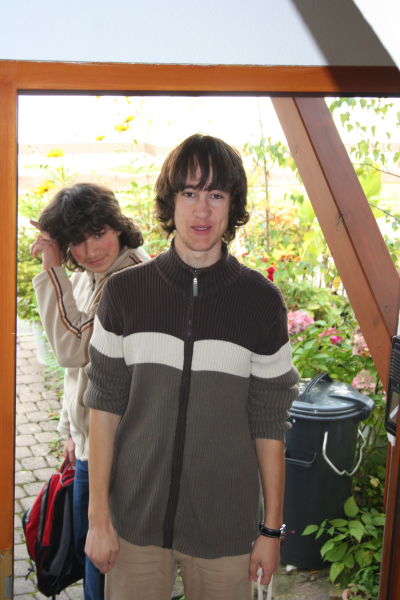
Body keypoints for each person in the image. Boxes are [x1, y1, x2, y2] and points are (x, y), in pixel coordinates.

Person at [84, 134, 299, 600]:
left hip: (227, 525)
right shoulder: (124, 294)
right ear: (171, 201)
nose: (202, 210)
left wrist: (271, 530)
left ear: (232, 204)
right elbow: (103, 409)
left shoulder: (260, 303)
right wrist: (99, 518)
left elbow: (270, 422)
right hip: (134, 520)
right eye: (189, 193)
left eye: (216, 194)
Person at [30, 183, 149, 600]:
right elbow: (77, 373)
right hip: (89, 446)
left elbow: (74, 348)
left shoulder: (132, 278)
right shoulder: (92, 276)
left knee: (105, 565)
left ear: (118, 227)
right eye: (76, 241)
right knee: (93, 557)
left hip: (120, 449)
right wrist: (70, 430)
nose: (90, 250)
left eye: (98, 233)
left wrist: (51, 270)